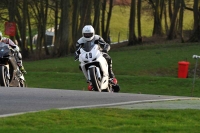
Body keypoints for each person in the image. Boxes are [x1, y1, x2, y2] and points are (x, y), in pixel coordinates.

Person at [75, 25, 119, 91]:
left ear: (93, 33)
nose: (88, 35)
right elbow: (77, 50)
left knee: (108, 58)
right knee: (80, 66)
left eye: (89, 34)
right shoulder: (80, 41)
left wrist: (106, 49)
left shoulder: (97, 38)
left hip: (98, 53)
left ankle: (111, 77)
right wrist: (76, 55)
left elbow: (105, 44)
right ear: (83, 34)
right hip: (86, 56)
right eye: (86, 34)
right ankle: (90, 81)